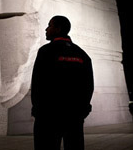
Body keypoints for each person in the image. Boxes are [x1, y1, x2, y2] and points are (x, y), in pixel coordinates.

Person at [31, 16, 94, 150]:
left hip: (48, 116)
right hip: (74, 117)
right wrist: (83, 110)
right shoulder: (82, 54)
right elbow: (88, 86)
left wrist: (38, 109)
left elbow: (38, 84)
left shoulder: (46, 51)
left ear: (58, 29)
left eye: (49, 25)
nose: (46, 29)